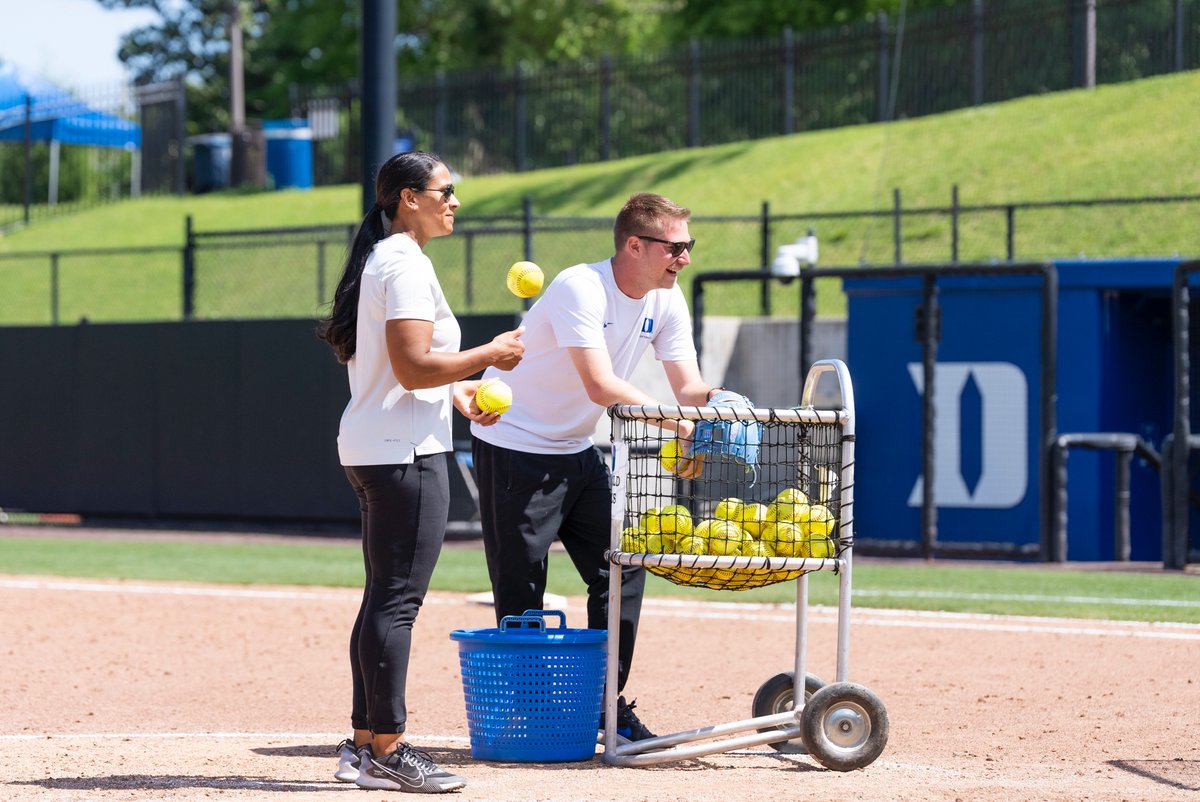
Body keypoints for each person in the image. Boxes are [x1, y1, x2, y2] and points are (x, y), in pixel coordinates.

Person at [469, 192, 723, 742]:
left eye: (689, 246)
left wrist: (725, 408)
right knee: (522, 588)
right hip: (515, 445)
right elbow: (601, 386)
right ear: (635, 244)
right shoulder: (578, 286)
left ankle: (606, 706)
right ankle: (531, 715)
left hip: (577, 451)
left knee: (623, 568)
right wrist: (682, 426)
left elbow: (689, 388)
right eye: (676, 247)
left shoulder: (667, 298)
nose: (685, 258)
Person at [318, 151, 524, 793]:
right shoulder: (403, 262)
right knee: (397, 603)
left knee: (383, 597)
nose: (454, 201)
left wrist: (458, 393)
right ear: (409, 198)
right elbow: (411, 367)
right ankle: (390, 748)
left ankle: (362, 745)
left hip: (380, 445)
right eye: (445, 190)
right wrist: (491, 354)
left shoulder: (391, 259)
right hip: (403, 455)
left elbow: (403, 371)